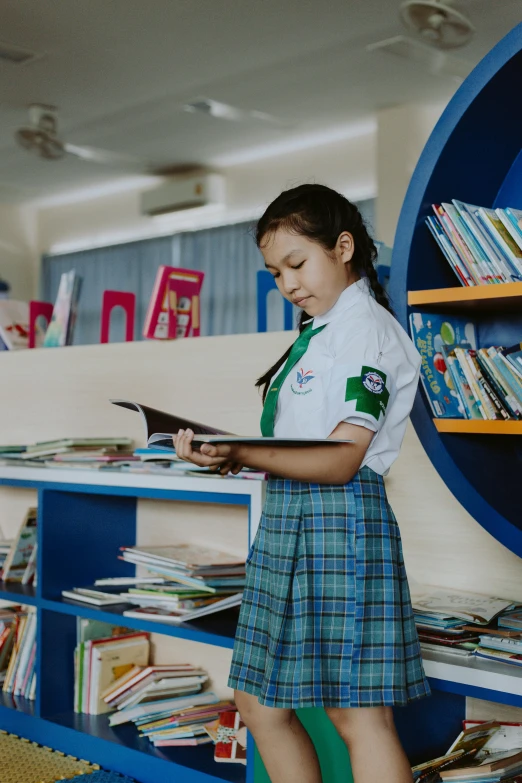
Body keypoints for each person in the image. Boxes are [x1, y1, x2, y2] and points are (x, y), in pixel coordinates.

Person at [173, 183, 430, 783]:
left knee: (358, 715)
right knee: (260, 701)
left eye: (297, 264)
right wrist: (231, 455)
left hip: (342, 522)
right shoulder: (320, 330)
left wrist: (241, 449)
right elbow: (300, 442)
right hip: (287, 517)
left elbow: (341, 460)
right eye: (275, 272)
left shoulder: (366, 328)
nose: (288, 283)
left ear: (343, 247)